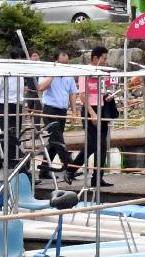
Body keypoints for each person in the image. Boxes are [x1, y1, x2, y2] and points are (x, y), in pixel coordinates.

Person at [66, 46, 117, 186]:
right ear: (95, 58)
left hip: (102, 108)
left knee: (102, 145)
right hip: (90, 110)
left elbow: (104, 90)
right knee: (94, 144)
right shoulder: (85, 72)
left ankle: (97, 177)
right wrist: (92, 113)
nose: (106, 61)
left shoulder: (103, 72)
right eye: (104, 58)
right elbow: (82, 95)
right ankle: (71, 169)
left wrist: (109, 97)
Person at [37, 51, 78, 181]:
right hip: (50, 109)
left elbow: (72, 93)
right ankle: (70, 167)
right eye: (62, 63)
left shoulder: (68, 75)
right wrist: (53, 74)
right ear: (55, 61)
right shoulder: (47, 72)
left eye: (66, 63)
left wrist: (74, 111)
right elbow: (41, 87)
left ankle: (44, 169)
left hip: (62, 111)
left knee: (54, 141)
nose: (64, 65)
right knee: (58, 139)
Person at [0, 48, 26, 174]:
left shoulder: (21, 73)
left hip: (17, 106)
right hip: (4, 106)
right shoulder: (3, 72)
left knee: (13, 138)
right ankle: (22, 170)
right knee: (11, 138)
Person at [25, 51, 43, 128]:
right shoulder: (27, 68)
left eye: (37, 56)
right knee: (30, 110)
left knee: (37, 111)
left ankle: (37, 130)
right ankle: (34, 127)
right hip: (29, 92)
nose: (35, 58)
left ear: (39, 57)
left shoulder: (43, 67)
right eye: (33, 56)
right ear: (30, 58)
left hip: (39, 93)